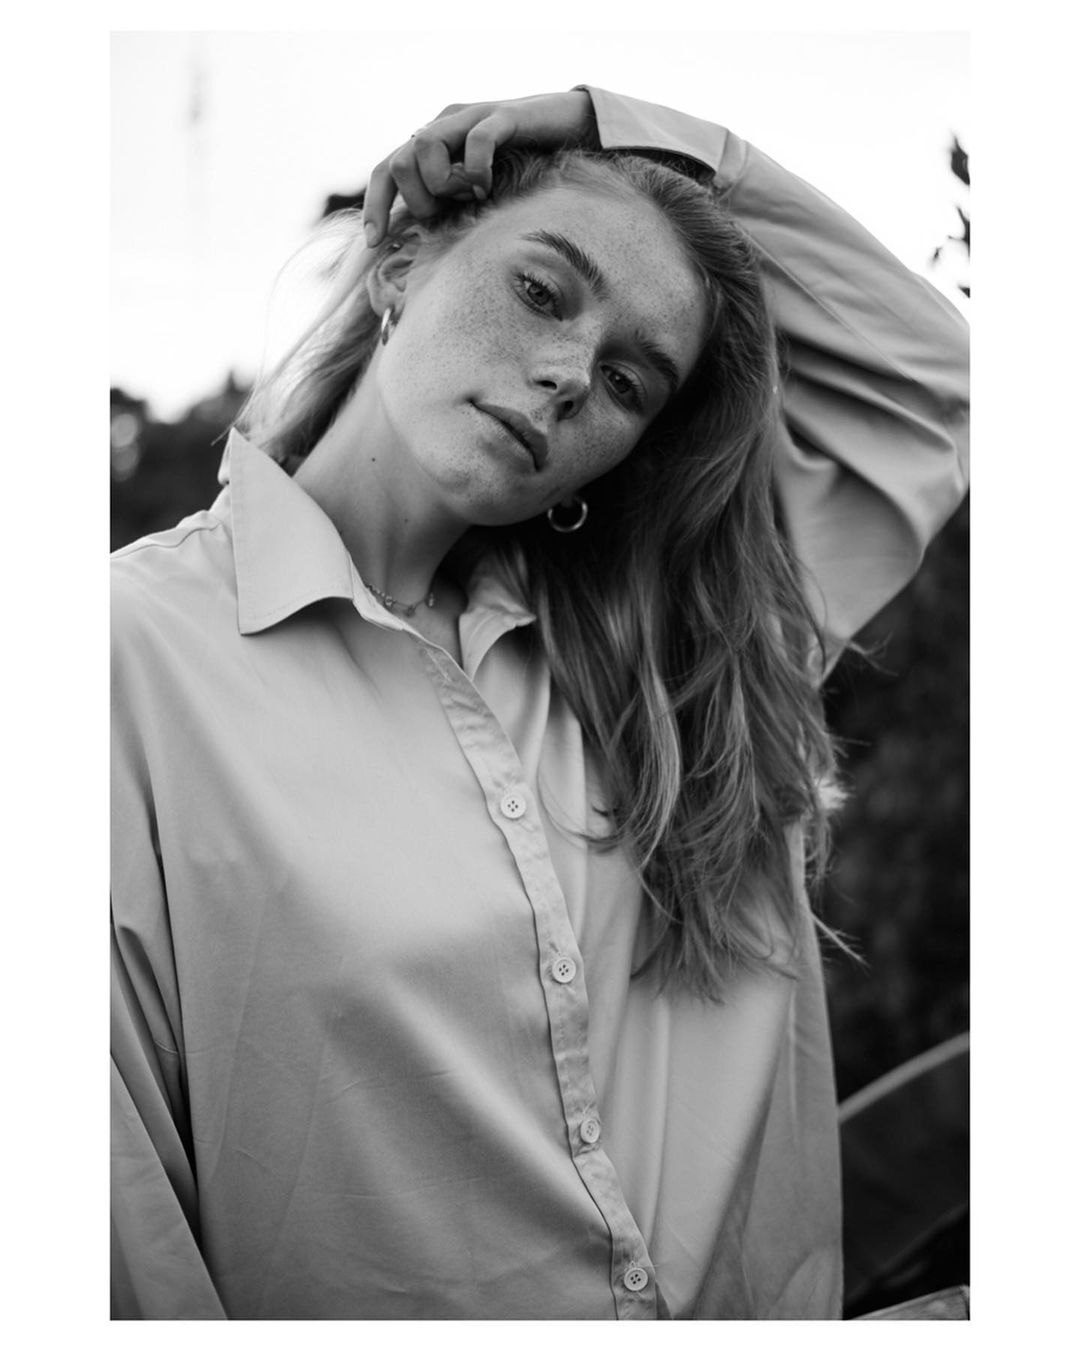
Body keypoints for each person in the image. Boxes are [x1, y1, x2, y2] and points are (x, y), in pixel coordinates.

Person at [110, 87, 969, 1319]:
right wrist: (583, 142)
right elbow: (117, 1211)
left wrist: (608, 122)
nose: (569, 376)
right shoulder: (124, 655)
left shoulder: (677, 662)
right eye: (540, 290)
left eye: (630, 382)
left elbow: (932, 376)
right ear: (399, 263)